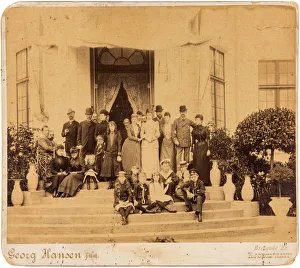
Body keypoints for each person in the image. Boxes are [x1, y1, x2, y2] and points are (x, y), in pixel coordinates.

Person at [100, 121, 122, 189]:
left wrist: (119, 153)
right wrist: (104, 152)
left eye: (113, 126)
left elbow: (119, 144)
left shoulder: (118, 134)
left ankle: (115, 183)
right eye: (110, 126)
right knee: (109, 168)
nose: (112, 128)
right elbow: (105, 144)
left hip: (115, 153)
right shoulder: (107, 134)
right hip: (108, 152)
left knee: (115, 168)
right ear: (108, 127)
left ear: (115, 127)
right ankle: (110, 183)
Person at [192, 114, 211, 186]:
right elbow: (193, 141)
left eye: (198, 120)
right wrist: (191, 151)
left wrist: (209, 149)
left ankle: (205, 181)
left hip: (204, 147)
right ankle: (197, 181)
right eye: (196, 120)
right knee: (197, 164)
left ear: (201, 121)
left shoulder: (205, 129)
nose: (196, 121)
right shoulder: (194, 130)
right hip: (197, 148)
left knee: (204, 164)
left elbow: (208, 139)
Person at [141, 111, 160, 178]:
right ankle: (147, 175)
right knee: (147, 159)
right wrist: (146, 138)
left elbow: (158, 133)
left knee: (154, 159)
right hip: (146, 143)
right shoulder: (144, 124)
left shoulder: (156, 123)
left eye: (150, 115)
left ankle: (154, 175)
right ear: (146, 116)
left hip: (153, 143)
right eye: (147, 115)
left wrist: (152, 138)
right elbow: (141, 134)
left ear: (152, 115)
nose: (149, 116)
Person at [36, 125, 55, 189]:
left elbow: (53, 145)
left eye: (48, 130)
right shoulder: (41, 138)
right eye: (46, 130)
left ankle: (51, 183)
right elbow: (46, 147)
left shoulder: (47, 139)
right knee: (46, 170)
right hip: (43, 157)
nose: (47, 132)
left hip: (48, 156)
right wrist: (53, 148)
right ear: (42, 131)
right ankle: (46, 184)